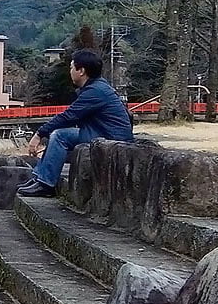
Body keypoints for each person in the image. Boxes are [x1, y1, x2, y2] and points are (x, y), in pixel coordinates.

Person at [17, 49, 133, 197]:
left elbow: (68, 116)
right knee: (59, 135)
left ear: (81, 71)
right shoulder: (98, 87)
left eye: (72, 67)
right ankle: (39, 178)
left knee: (59, 136)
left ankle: (46, 185)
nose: (70, 71)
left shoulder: (95, 91)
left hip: (111, 138)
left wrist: (39, 134)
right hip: (104, 133)